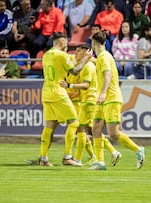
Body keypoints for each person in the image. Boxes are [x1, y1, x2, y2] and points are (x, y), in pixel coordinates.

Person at [88, 31, 145, 170]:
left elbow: (107, 75)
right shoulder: (102, 57)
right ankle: (100, 162)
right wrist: (92, 60)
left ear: (94, 42)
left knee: (113, 133)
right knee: (95, 128)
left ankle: (138, 150)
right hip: (103, 99)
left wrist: (102, 93)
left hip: (111, 98)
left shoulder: (104, 57)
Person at [61, 44, 122, 166]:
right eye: (76, 51)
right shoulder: (81, 65)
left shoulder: (88, 66)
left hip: (90, 100)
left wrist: (70, 86)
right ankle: (106, 154)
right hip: (85, 100)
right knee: (91, 130)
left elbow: (86, 85)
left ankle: (78, 159)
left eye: (78, 51)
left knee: (81, 128)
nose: (75, 53)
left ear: (85, 53)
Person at [38, 32, 90, 167]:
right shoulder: (61, 55)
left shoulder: (46, 55)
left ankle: (43, 158)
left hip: (46, 92)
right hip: (58, 92)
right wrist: (86, 59)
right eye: (66, 42)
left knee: (49, 125)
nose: (67, 44)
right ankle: (67, 157)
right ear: (61, 42)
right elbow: (75, 71)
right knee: (74, 122)